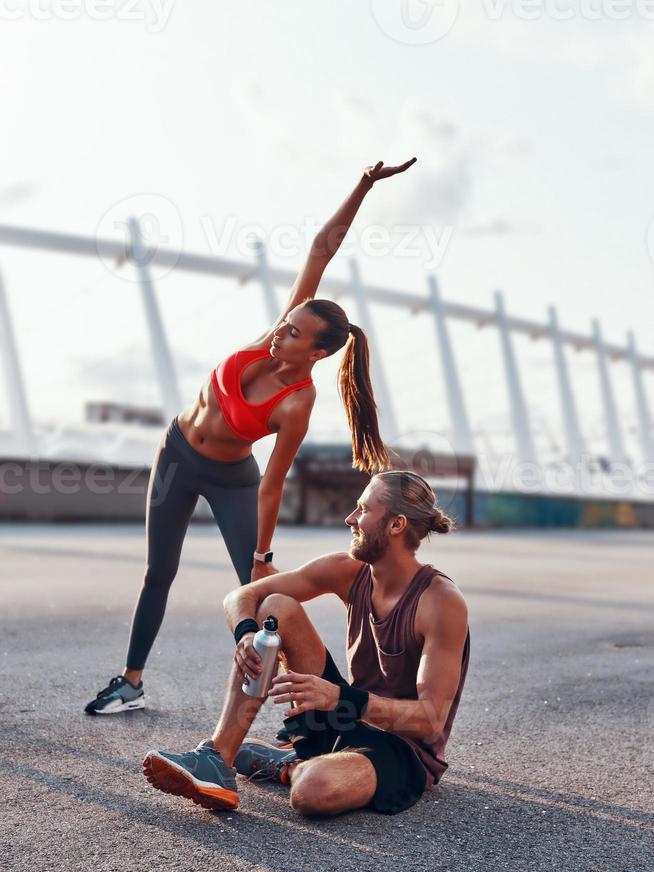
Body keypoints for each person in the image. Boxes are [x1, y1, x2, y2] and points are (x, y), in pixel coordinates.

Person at [85, 157, 417, 716]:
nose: (279, 332)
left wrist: (263, 553)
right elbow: (320, 249)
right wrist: (362, 185)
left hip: (232, 479)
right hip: (176, 454)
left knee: (263, 595)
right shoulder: (273, 339)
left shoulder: (297, 404)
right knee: (158, 571)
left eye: (293, 333)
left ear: (316, 352)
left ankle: (311, 707)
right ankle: (130, 681)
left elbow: (273, 484)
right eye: (285, 324)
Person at [143, 470, 470, 817]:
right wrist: (248, 635)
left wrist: (340, 698)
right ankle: (216, 759)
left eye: (363, 510)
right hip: (345, 714)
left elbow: (430, 719)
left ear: (396, 525)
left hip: (402, 748)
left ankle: (292, 764)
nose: (350, 518)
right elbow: (242, 596)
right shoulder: (347, 570)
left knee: (312, 792)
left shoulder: (440, 601)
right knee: (274, 608)